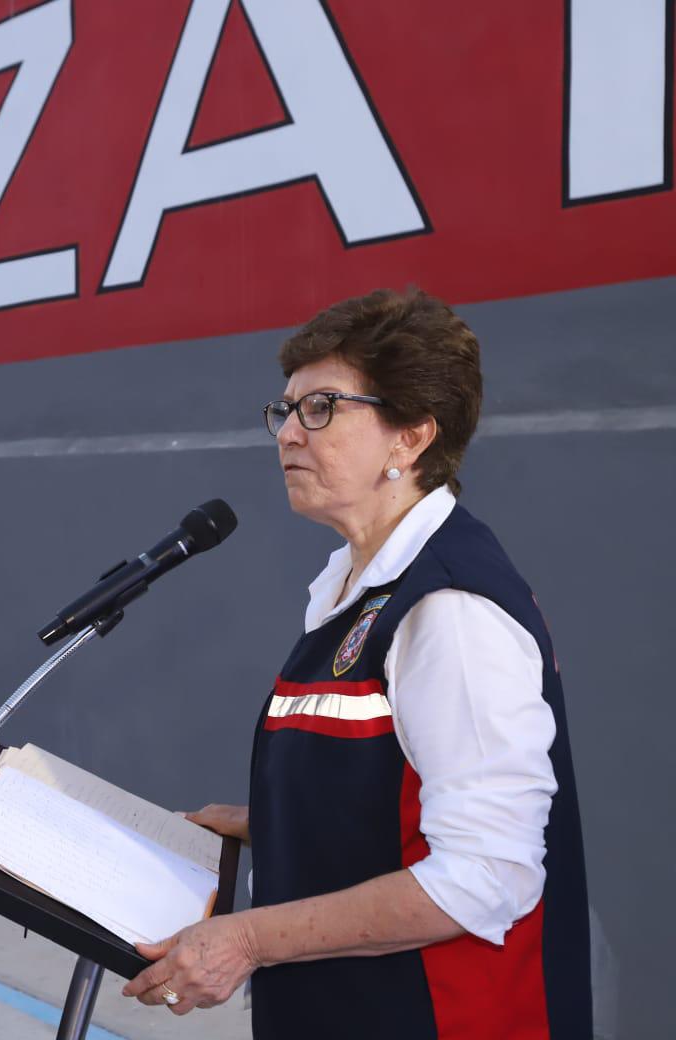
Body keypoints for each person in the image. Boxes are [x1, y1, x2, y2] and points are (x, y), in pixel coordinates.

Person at [122, 290, 589, 1037]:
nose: (288, 435)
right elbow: (395, 790)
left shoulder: (451, 609)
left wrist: (244, 938)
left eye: (321, 409)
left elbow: (487, 875)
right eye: (285, 411)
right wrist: (273, 822)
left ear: (410, 437)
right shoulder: (360, 585)